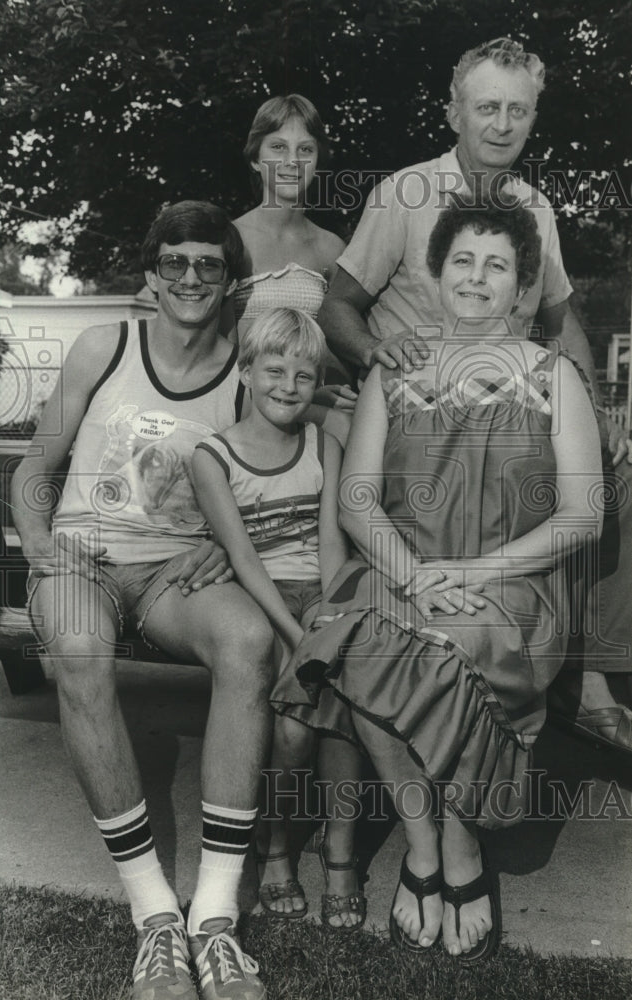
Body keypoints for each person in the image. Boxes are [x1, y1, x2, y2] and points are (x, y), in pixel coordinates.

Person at [287, 198, 603, 961]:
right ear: (435, 272)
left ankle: (458, 849)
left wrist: (468, 572)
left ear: (521, 284)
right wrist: (418, 576)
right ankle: (421, 841)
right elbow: (358, 499)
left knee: (440, 647)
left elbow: (581, 515)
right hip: (401, 571)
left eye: (496, 265)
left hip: (512, 585)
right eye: (462, 260)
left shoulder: (552, 376)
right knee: (357, 639)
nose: (475, 277)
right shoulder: (392, 371)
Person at [318, 36, 632, 756]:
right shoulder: (403, 195)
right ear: (452, 112)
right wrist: (372, 354)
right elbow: (337, 303)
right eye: (485, 107)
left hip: (515, 412)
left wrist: (592, 408)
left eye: (516, 111)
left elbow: (559, 319)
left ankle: (585, 675)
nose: (500, 125)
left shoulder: (534, 205)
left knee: (612, 481)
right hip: (420, 420)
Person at [11, 201, 273, 1000]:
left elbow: (271, 478)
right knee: (80, 655)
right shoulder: (105, 346)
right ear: (152, 277)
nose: (191, 278)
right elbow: (32, 471)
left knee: (249, 642)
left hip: (171, 574)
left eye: (209, 265)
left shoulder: (245, 372)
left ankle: (215, 922)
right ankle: (156, 918)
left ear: (231, 282)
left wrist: (221, 543)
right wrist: (41, 544)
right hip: (82, 557)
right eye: (176, 263)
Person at [192, 307, 366, 931]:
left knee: (346, 705)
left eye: (304, 374)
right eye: (274, 370)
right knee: (291, 735)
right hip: (261, 599)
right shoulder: (212, 456)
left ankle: (341, 852)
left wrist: (326, 621)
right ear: (244, 369)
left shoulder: (324, 444)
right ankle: (275, 848)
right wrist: (296, 638)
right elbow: (241, 557)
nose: (288, 386)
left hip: (318, 595)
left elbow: (330, 548)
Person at [226, 93, 357, 409]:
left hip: (305, 409)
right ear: (256, 158)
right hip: (237, 409)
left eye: (305, 150)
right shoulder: (230, 240)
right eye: (278, 147)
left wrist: (314, 396)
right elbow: (216, 352)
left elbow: (339, 354)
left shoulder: (331, 248)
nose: (292, 162)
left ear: (317, 162)